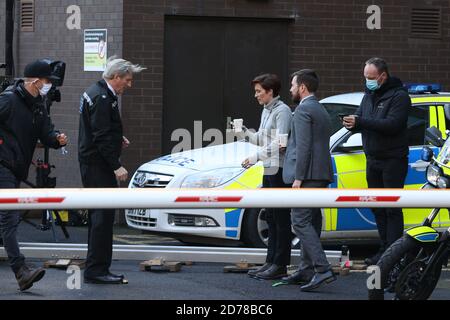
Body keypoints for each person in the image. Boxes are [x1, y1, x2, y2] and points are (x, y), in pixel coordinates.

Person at [0, 59, 68, 291]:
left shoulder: (38, 105)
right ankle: (21, 271)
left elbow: (46, 133)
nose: (49, 85)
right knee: (9, 217)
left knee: (7, 218)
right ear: (36, 81)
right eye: (48, 81)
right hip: (3, 165)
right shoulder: (8, 100)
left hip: (16, 167)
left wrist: (57, 139)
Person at [78, 57, 145, 284]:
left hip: (92, 162)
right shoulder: (103, 98)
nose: (129, 84)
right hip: (99, 165)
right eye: (127, 80)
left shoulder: (96, 92)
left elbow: (101, 129)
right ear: (116, 77)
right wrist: (116, 165)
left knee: (98, 217)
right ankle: (97, 270)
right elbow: (100, 135)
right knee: (103, 218)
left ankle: (95, 267)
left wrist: (118, 138)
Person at [343, 57, 410, 266]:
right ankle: (384, 250)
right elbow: (364, 118)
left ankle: (394, 255)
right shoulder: (369, 95)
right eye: (365, 77)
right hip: (372, 159)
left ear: (383, 75)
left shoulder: (399, 96)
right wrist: (353, 124)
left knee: (391, 208)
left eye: (371, 77)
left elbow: (392, 125)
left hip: (392, 160)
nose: (367, 81)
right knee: (377, 207)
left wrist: (361, 122)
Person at [282, 69, 335, 292]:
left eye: (293, 85)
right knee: (311, 221)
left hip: (308, 175)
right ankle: (306, 268)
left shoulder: (303, 110)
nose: (291, 89)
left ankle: (322, 269)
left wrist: (299, 178)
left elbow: (303, 147)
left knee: (300, 221)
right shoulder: (320, 109)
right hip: (321, 173)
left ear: (302, 87)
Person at [236, 74, 292, 280]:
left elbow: (280, 144)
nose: (256, 95)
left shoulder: (283, 111)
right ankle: (270, 262)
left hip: (278, 169)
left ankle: (280, 264)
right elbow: (261, 138)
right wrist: (242, 132)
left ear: (270, 91)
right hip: (269, 168)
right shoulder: (266, 110)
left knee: (280, 218)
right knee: (270, 216)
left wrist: (254, 157)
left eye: (259, 91)